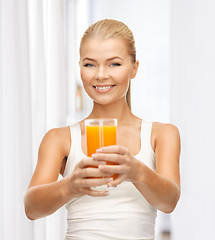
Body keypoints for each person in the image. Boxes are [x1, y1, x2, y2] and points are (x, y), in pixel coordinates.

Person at [24, 19, 181, 240]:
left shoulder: (161, 134)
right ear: (80, 68)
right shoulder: (59, 139)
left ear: (134, 68)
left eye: (114, 64)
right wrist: (70, 186)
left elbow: (169, 202)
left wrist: (137, 171)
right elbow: (31, 208)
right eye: (89, 64)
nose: (100, 75)